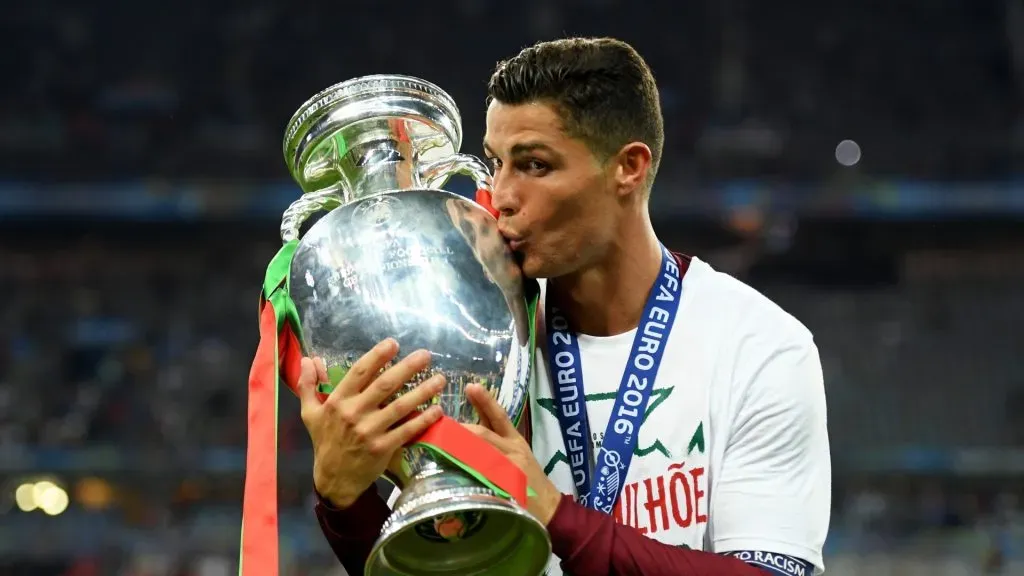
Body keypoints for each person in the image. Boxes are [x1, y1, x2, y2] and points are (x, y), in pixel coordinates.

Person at [297, 37, 831, 576]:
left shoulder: (758, 346)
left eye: (534, 165)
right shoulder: (476, 337)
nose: (500, 194)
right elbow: (448, 567)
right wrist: (346, 501)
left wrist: (553, 512)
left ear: (629, 167)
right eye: (495, 162)